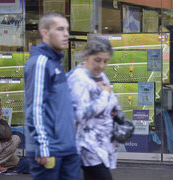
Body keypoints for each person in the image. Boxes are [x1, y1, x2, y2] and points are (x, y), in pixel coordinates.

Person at [23, 12, 82, 180]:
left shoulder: (55, 62)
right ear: (45, 33)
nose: (66, 34)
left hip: (68, 148)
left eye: (67, 29)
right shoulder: (40, 63)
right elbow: (34, 108)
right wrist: (42, 146)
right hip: (50, 151)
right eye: (60, 29)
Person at [67, 36, 121, 180]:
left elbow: (111, 98)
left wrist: (118, 114)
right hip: (87, 147)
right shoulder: (78, 79)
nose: (102, 65)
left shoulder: (99, 75)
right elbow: (82, 114)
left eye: (106, 61)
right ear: (86, 56)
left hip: (100, 145)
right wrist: (104, 95)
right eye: (97, 60)